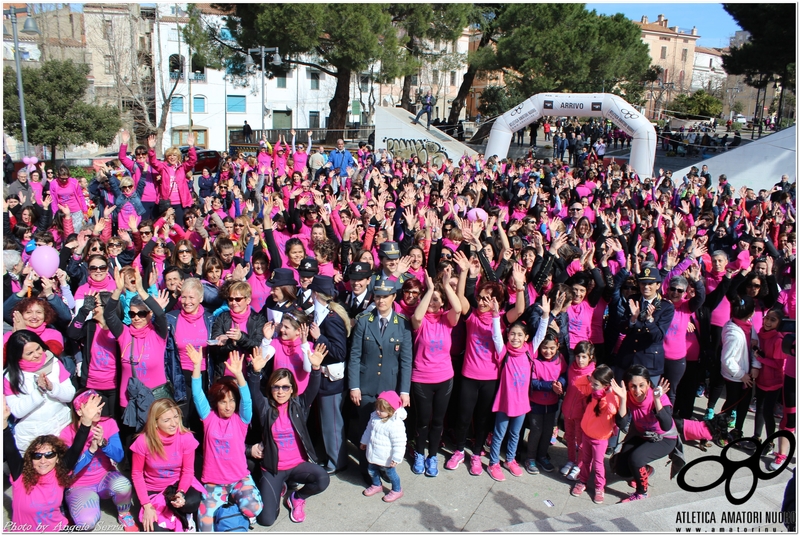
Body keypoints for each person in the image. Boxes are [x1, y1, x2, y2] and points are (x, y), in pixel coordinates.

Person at [247, 341, 329, 526]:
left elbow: (313, 389)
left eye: (285, 387)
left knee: (322, 479)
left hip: (297, 465)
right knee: (266, 520)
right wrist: (255, 372)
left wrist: (316, 368)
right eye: (276, 387)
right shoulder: (265, 407)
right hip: (273, 469)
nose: (281, 391)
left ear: (292, 389)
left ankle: (297, 498)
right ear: (270, 389)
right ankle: (280, 487)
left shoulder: (299, 405)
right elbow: (253, 392)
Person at [185, 346, 262, 531]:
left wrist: (239, 375)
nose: (228, 406)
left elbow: (248, 400)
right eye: (223, 401)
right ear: (216, 403)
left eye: (231, 401)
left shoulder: (241, 419)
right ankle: (225, 510)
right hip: (213, 483)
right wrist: (197, 366)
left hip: (238, 480)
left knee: (254, 509)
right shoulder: (208, 418)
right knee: (205, 527)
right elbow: (197, 394)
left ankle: (233, 511)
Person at [3, 393, 103, 532]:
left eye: (49, 455)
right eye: (37, 455)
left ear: (57, 459)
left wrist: (86, 422)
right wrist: (3, 423)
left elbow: (76, 447)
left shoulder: (59, 472)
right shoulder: (20, 474)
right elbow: (9, 448)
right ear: (30, 459)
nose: (43, 460)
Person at [348, 278, 413, 482]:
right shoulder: (364, 321)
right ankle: (367, 471)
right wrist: (354, 386)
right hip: (366, 386)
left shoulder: (402, 324)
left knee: (387, 432)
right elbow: (355, 356)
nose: (381, 300)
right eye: (377, 296)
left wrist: (404, 390)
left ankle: (385, 469)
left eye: (385, 296)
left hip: (390, 389)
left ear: (394, 297)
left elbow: (406, 360)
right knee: (366, 432)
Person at [486, 296, 550, 481]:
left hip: (521, 403)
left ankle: (510, 460)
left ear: (526, 338)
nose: (515, 338)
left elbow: (541, 335)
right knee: (499, 434)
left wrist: (545, 315)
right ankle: (493, 463)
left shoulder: (530, 351)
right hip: (504, 402)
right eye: (512, 334)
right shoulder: (503, 351)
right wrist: (496, 315)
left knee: (515, 434)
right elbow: (496, 335)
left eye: (520, 335)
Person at [408, 268, 463, 477]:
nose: (432, 302)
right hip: (421, 378)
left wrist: (446, 286)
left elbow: (457, 309)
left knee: (438, 421)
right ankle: (420, 454)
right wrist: (430, 290)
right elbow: (417, 315)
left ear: (442, 303)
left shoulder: (446, 320)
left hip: (444, 379)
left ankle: (432, 456)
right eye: (429, 299)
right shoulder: (419, 322)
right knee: (423, 421)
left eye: (435, 299)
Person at [60, 389, 137, 531]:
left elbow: (119, 457)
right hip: (79, 485)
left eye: (99, 405)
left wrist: (104, 443)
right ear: (79, 411)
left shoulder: (108, 424)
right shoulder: (66, 433)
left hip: (105, 478)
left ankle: (124, 514)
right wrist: (91, 451)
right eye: (93, 407)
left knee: (124, 485)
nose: (99, 410)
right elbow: (68, 470)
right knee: (86, 523)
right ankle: (79, 506)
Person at [130, 398, 205, 532]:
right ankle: (174, 515)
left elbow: (188, 471)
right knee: (156, 529)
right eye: (167, 420)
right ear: (156, 423)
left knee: (191, 503)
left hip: (177, 484)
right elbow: (137, 474)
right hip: (154, 489)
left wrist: (181, 493)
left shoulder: (186, 438)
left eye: (176, 417)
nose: (174, 423)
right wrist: (146, 505)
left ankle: (184, 516)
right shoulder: (143, 442)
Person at [609, 365, 678, 502]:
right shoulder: (628, 396)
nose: (638, 391)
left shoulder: (658, 396)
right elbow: (621, 424)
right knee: (621, 468)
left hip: (664, 438)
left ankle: (642, 493)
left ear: (648, 383)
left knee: (636, 459)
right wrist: (623, 399)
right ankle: (645, 471)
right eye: (633, 386)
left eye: (642, 385)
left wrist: (657, 400)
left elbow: (666, 425)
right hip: (642, 434)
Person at [4, 330, 76, 454]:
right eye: (29, 353)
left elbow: (70, 394)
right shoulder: (9, 376)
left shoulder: (54, 362)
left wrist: (52, 387)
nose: (37, 354)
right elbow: (16, 411)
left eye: (38, 348)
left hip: (62, 427)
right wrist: (38, 393)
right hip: (32, 436)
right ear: (17, 355)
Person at [568, 365, 620, 504]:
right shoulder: (592, 391)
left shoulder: (611, 397)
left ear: (606, 385)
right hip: (587, 434)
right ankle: (582, 481)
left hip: (600, 438)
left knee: (598, 465)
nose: (592, 385)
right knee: (585, 461)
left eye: (596, 384)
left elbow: (612, 410)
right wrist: (589, 377)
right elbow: (577, 382)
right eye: (592, 382)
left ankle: (599, 487)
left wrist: (609, 394)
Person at [721, 295, 757, 443]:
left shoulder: (749, 326)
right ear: (752, 312)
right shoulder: (734, 334)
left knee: (744, 403)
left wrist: (755, 366)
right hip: (735, 376)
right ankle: (721, 430)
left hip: (746, 372)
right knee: (731, 403)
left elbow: (754, 349)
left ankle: (737, 430)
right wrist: (742, 375)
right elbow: (727, 359)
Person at [360, 390, 407, 502]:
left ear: (391, 410)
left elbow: (399, 442)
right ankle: (376, 485)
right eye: (377, 409)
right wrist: (364, 441)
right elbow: (368, 430)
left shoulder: (395, 424)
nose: (378, 412)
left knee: (391, 473)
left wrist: (396, 457)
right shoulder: (374, 417)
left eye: (382, 410)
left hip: (387, 457)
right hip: (373, 452)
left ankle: (397, 490)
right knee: (372, 470)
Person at [560, 341, 597, 481]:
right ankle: (571, 460)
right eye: (577, 356)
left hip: (582, 414)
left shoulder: (592, 374)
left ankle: (579, 465)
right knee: (569, 437)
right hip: (568, 410)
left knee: (581, 442)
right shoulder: (571, 369)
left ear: (590, 357)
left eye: (583, 357)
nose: (580, 360)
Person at [147, 133, 197, 224]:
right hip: (167, 203)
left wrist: (191, 146)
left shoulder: (182, 168)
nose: (172, 157)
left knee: (180, 225)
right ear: (166, 157)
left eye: (174, 155)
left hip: (181, 202)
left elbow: (192, 161)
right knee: (167, 226)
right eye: (170, 155)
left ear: (178, 157)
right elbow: (153, 162)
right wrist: (151, 149)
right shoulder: (163, 167)